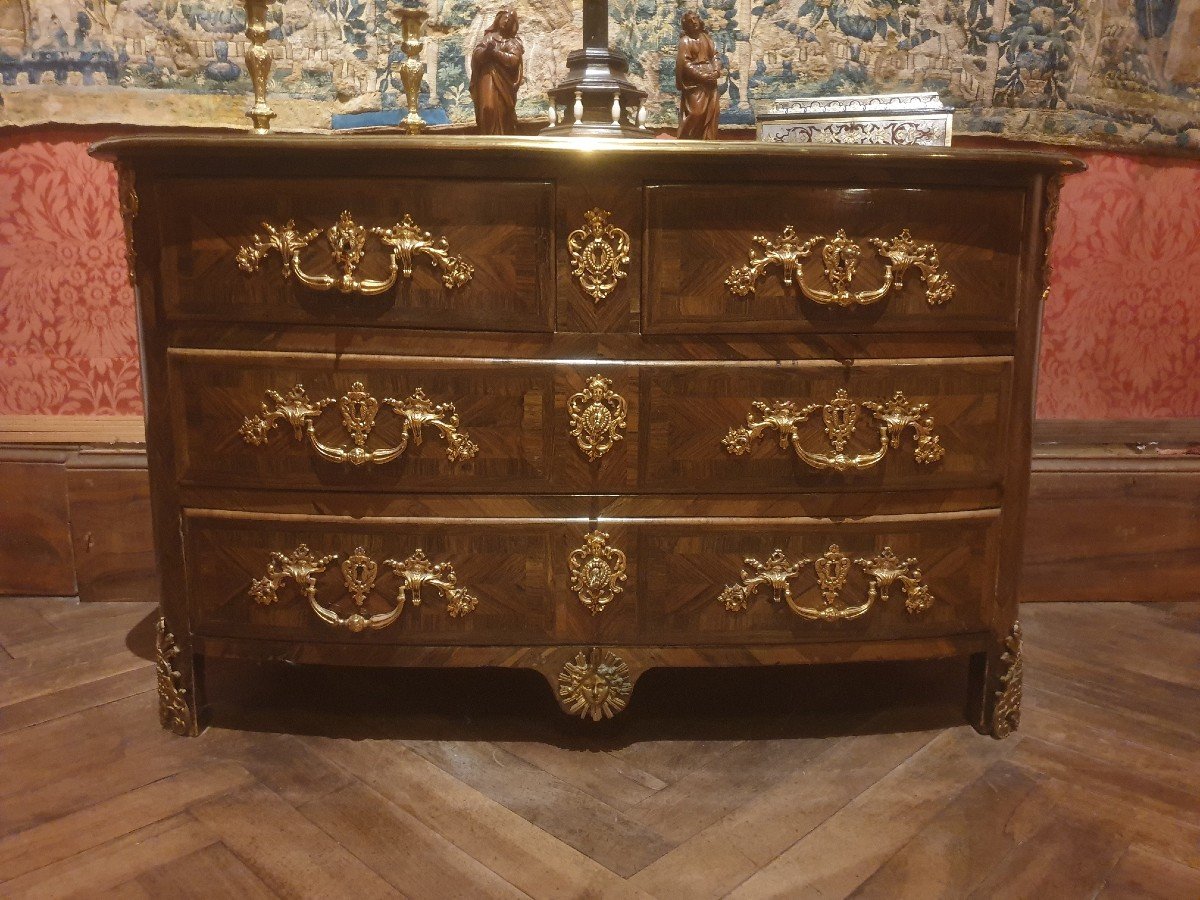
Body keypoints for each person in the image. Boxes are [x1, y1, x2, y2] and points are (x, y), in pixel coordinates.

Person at [470, 10, 524, 135]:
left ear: (513, 24)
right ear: (498, 19)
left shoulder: (513, 42)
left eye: (510, 20)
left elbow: (514, 60)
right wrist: (485, 52)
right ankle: (487, 135)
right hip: (487, 76)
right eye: (504, 18)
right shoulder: (488, 38)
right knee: (487, 107)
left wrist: (495, 53)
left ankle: (502, 136)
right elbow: (476, 54)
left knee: (504, 110)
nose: (506, 21)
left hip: (505, 83)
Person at [676, 10, 721, 139]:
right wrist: (702, 76)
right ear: (686, 25)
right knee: (696, 112)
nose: (694, 22)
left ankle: (706, 140)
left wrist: (716, 71)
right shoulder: (685, 41)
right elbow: (685, 63)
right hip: (695, 83)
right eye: (690, 21)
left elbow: (715, 56)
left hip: (711, 80)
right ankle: (685, 140)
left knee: (712, 112)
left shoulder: (707, 38)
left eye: (695, 19)